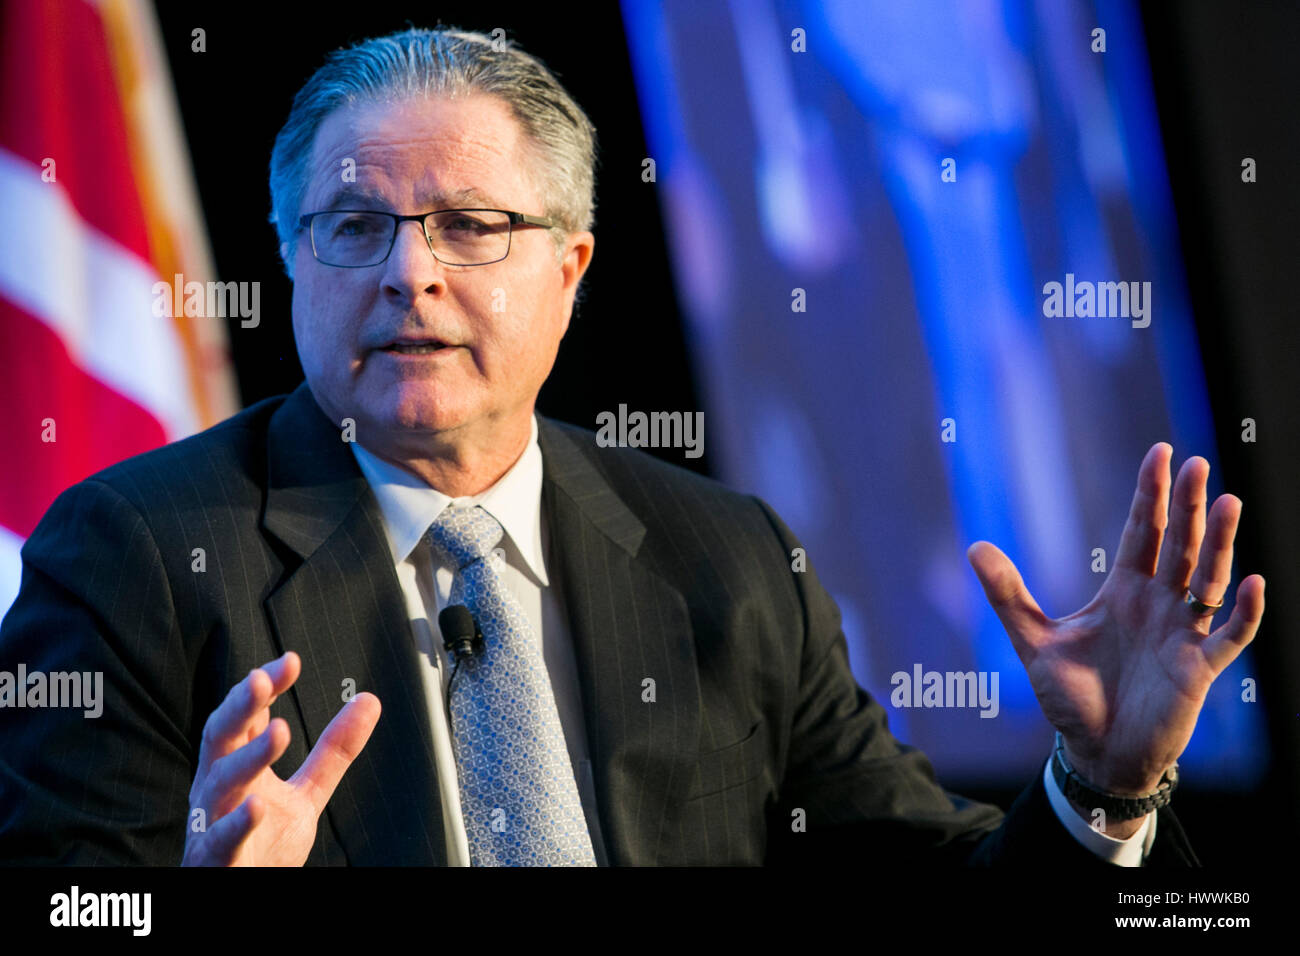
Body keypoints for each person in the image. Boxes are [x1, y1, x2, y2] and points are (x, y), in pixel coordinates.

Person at [0, 28, 1264, 866]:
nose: (408, 274)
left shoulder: (728, 559)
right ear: (287, 261)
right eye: (351, 226)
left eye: (471, 225)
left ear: (572, 268)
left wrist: (1102, 784)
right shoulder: (136, 553)